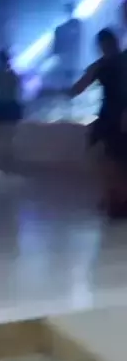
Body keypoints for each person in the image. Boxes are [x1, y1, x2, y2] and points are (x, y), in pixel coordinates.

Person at [67, 28, 127, 218]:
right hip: (111, 114)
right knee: (110, 157)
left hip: (114, 114)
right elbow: (77, 88)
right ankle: (114, 196)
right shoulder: (105, 64)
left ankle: (115, 197)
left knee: (111, 157)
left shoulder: (107, 64)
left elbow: (77, 88)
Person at [0, 49, 23, 169]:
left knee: (1, 132)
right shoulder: (12, 75)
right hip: (9, 104)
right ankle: (5, 157)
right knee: (7, 133)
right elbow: (16, 89)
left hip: (2, 104)